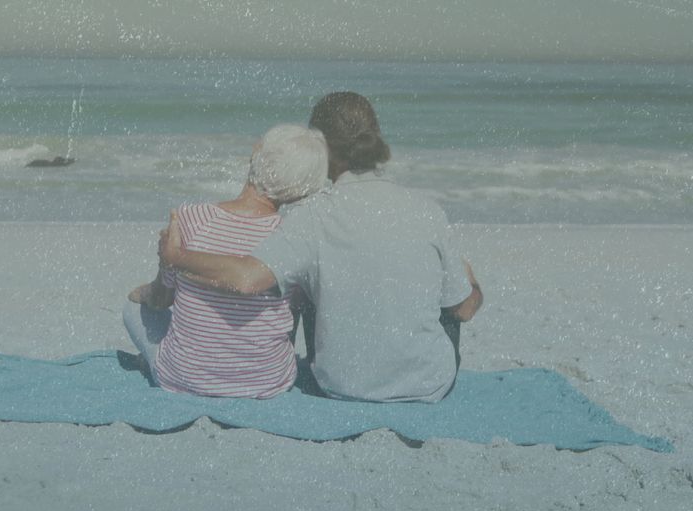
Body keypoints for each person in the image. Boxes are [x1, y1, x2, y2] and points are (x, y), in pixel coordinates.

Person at [160, 92, 482, 403]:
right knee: (449, 293)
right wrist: (471, 283)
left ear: (322, 149)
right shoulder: (426, 209)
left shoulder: (311, 214)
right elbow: (465, 309)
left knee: (308, 277)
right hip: (426, 385)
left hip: (339, 383)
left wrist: (177, 258)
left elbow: (246, 278)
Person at [122, 124, 329, 398]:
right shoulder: (290, 238)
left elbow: (162, 299)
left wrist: (147, 291)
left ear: (255, 154)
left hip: (185, 378)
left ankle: (163, 360)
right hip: (267, 383)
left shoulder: (192, 218)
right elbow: (294, 306)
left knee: (133, 309)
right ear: (304, 190)